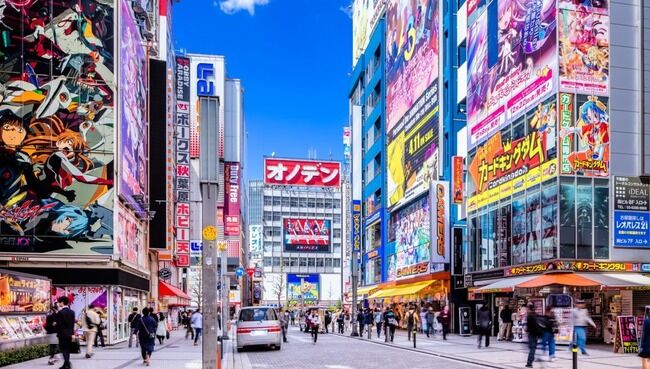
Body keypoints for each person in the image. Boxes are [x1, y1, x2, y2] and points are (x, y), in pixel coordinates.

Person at [55, 296, 75, 369]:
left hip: (62, 334)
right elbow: (72, 324)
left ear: (62, 303)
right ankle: (66, 364)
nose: (58, 304)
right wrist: (72, 334)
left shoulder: (60, 312)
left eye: (59, 302)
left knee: (63, 349)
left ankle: (67, 363)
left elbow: (58, 324)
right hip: (69, 333)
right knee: (67, 349)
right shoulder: (72, 312)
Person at [526, 304, 542, 368]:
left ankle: (529, 362)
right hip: (534, 334)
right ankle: (531, 359)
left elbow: (530, 325)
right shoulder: (535, 315)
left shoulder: (530, 316)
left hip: (532, 334)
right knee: (532, 348)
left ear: (529, 309)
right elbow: (537, 325)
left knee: (532, 348)